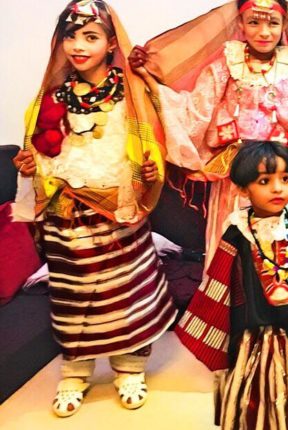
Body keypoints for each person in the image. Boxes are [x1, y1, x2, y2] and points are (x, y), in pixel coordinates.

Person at [12, 0, 176, 417]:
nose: (79, 46)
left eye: (91, 36)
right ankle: (75, 372)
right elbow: (42, 154)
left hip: (118, 211)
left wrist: (149, 169)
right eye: (71, 36)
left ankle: (129, 367)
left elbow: (156, 138)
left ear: (111, 43)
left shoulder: (132, 92)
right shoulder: (51, 97)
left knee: (126, 294)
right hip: (66, 214)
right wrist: (31, 166)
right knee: (73, 297)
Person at [128, 0, 288, 263]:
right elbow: (192, 112)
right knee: (232, 245)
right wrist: (148, 76)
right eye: (254, 22)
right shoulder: (224, 69)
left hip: (283, 175)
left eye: (272, 23)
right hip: (237, 175)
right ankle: (227, 287)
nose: (264, 32)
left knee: (281, 248)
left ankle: (281, 288)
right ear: (240, 23)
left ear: (284, 25)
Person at [175, 141, 288, 429]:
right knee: (251, 396)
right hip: (253, 331)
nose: (278, 189)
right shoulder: (238, 232)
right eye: (264, 181)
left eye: (285, 179)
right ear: (242, 189)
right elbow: (222, 283)